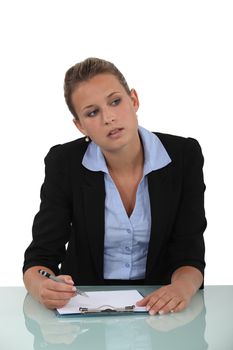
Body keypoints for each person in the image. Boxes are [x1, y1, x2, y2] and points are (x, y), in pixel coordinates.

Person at [23, 57, 206, 315]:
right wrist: (41, 285)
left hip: (160, 309)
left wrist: (181, 289)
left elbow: (190, 252)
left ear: (134, 100)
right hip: (85, 309)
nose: (108, 117)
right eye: (92, 112)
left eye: (115, 101)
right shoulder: (64, 163)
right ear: (80, 125)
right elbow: (41, 257)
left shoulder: (183, 156)